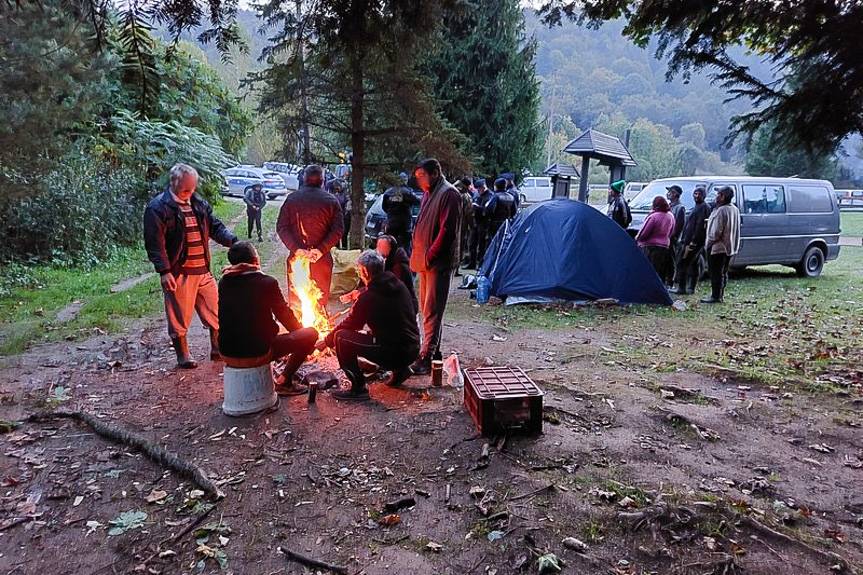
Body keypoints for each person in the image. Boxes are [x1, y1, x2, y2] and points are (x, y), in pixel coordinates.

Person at [143, 163, 237, 369]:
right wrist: (164, 271)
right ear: (173, 183)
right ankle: (183, 355)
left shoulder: (197, 203)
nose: (190, 192)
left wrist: (233, 241)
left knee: (217, 309)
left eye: (193, 188)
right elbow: (154, 243)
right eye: (186, 189)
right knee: (179, 315)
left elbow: (215, 227)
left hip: (203, 270)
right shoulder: (158, 208)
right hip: (179, 271)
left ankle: (217, 348)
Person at [218, 242, 318, 395]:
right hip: (257, 353)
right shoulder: (267, 282)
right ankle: (284, 382)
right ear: (255, 260)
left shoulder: (224, 282)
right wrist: (304, 338)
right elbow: (285, 316)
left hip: (227, 353)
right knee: (311, 334)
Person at [318, 250, 420, 400]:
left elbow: (351, 324)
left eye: (359, 269)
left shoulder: (369, 297)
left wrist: (327, 341)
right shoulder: (396, 284)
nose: (359, 273)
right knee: (384, 333)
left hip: (395, 353)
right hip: (412, 348)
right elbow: (374, 292)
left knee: (341, 338)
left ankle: (358, 388)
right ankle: (401, 371)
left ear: (365, 271)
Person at [409, 158, 463, 375]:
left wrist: (431, 255)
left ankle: (426, 356)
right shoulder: (429, 193)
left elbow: (447, 231)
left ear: (434, 173)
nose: (419, 180)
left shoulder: (449, 194)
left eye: (421, 176)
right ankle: (433, 352)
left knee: (432, 309)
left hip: (437, 262)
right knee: (425, 308)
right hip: (424, 261)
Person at [277, 164, 344, 305]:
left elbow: (282, 228)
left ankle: (299, 326)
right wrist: (320, 250)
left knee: (297, 304)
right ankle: (316, 327)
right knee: (319, 302)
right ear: (323, 180)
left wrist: (297, 249)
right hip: (320, 260)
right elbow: (338, 230)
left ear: (304, 179)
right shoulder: (331, 201)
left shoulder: (292, 199)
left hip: (298, 259)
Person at [340, 235, 417, 313]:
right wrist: (358, 292)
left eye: (383, 247)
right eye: (378, 246)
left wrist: (362, 293)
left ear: (391, 248)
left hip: (404, 309)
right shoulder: (381, 261)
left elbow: (388, 289)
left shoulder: (399, 267)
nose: (379, 250)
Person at [702, 186, 741, 304]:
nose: (716, 196)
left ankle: (715, 296)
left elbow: (716, 232)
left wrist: (708, 244)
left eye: (718, 194)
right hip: (729, 247)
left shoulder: (721, 211)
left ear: (723, 197)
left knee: (716, 273)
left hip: (718, 248)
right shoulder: (734, 209)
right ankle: (720, 294)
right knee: (723, 272)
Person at [671, 185, 711, 295]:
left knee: (682, 263)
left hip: (693, 242)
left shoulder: (704, 207)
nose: (697, 196)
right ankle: (690, 288)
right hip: (688, 240)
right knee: (693, 264)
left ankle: (682, 288)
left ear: (704, 195)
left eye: (699, 194)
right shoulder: (697, 207)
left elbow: (700, 226)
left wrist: (693, 242)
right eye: (695, 194)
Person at [635, 196, 676, 278]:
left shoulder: (653, 216)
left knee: (649, 271)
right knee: (660, 271)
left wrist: (637, 238)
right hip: (665, 246)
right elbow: (672, 231)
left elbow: (644, 233)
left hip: (650, 248)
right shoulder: (670, 216)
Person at [382, 172, 421, 253]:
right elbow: (418, 201)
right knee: (406, 247)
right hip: (404, 224)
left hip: (391, 223)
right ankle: (405, 263)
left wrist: (391, 214)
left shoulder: (388, 192)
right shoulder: (407, 192)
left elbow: (384, 207)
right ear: (405, 181)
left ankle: (391, 262)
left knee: (391, 246)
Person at [468, 178, 494, 269]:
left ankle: (481, 264)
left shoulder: (490, 196)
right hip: (476, 222)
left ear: (483, 187)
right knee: (472, 243)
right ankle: (472, 263)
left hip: (484, 223)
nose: (478, 191)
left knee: (482, 245)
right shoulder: (478, 195)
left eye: (479, 189)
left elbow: (487, 211)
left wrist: (477, 207)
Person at [665, 185, 686, 286]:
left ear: (675, 194)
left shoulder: (680, 208)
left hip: (672, 239)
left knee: (671, 260)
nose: (668, 194)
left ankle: (671, 281)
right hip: (665, 238)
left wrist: (673, 237)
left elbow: (679, 225)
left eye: (671, 192)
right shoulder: (669, 206)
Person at [455, 177, 475, 275]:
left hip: (448, 224)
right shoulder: (466, 196)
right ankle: (456, 269)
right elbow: (469, 213)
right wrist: (472, 226)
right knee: (460, 246)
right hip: (461, 225)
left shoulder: (451, 192)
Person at [329, 179, 351, 249]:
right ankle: (335, 248)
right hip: (335, 217)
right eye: (336, 187)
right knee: (335, 234)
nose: (337, 189)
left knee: (344, 234)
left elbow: (347, 205)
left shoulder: (345, 195)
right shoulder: (332, 194)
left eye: (338, 187)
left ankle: (344, 247)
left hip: (344, 217)